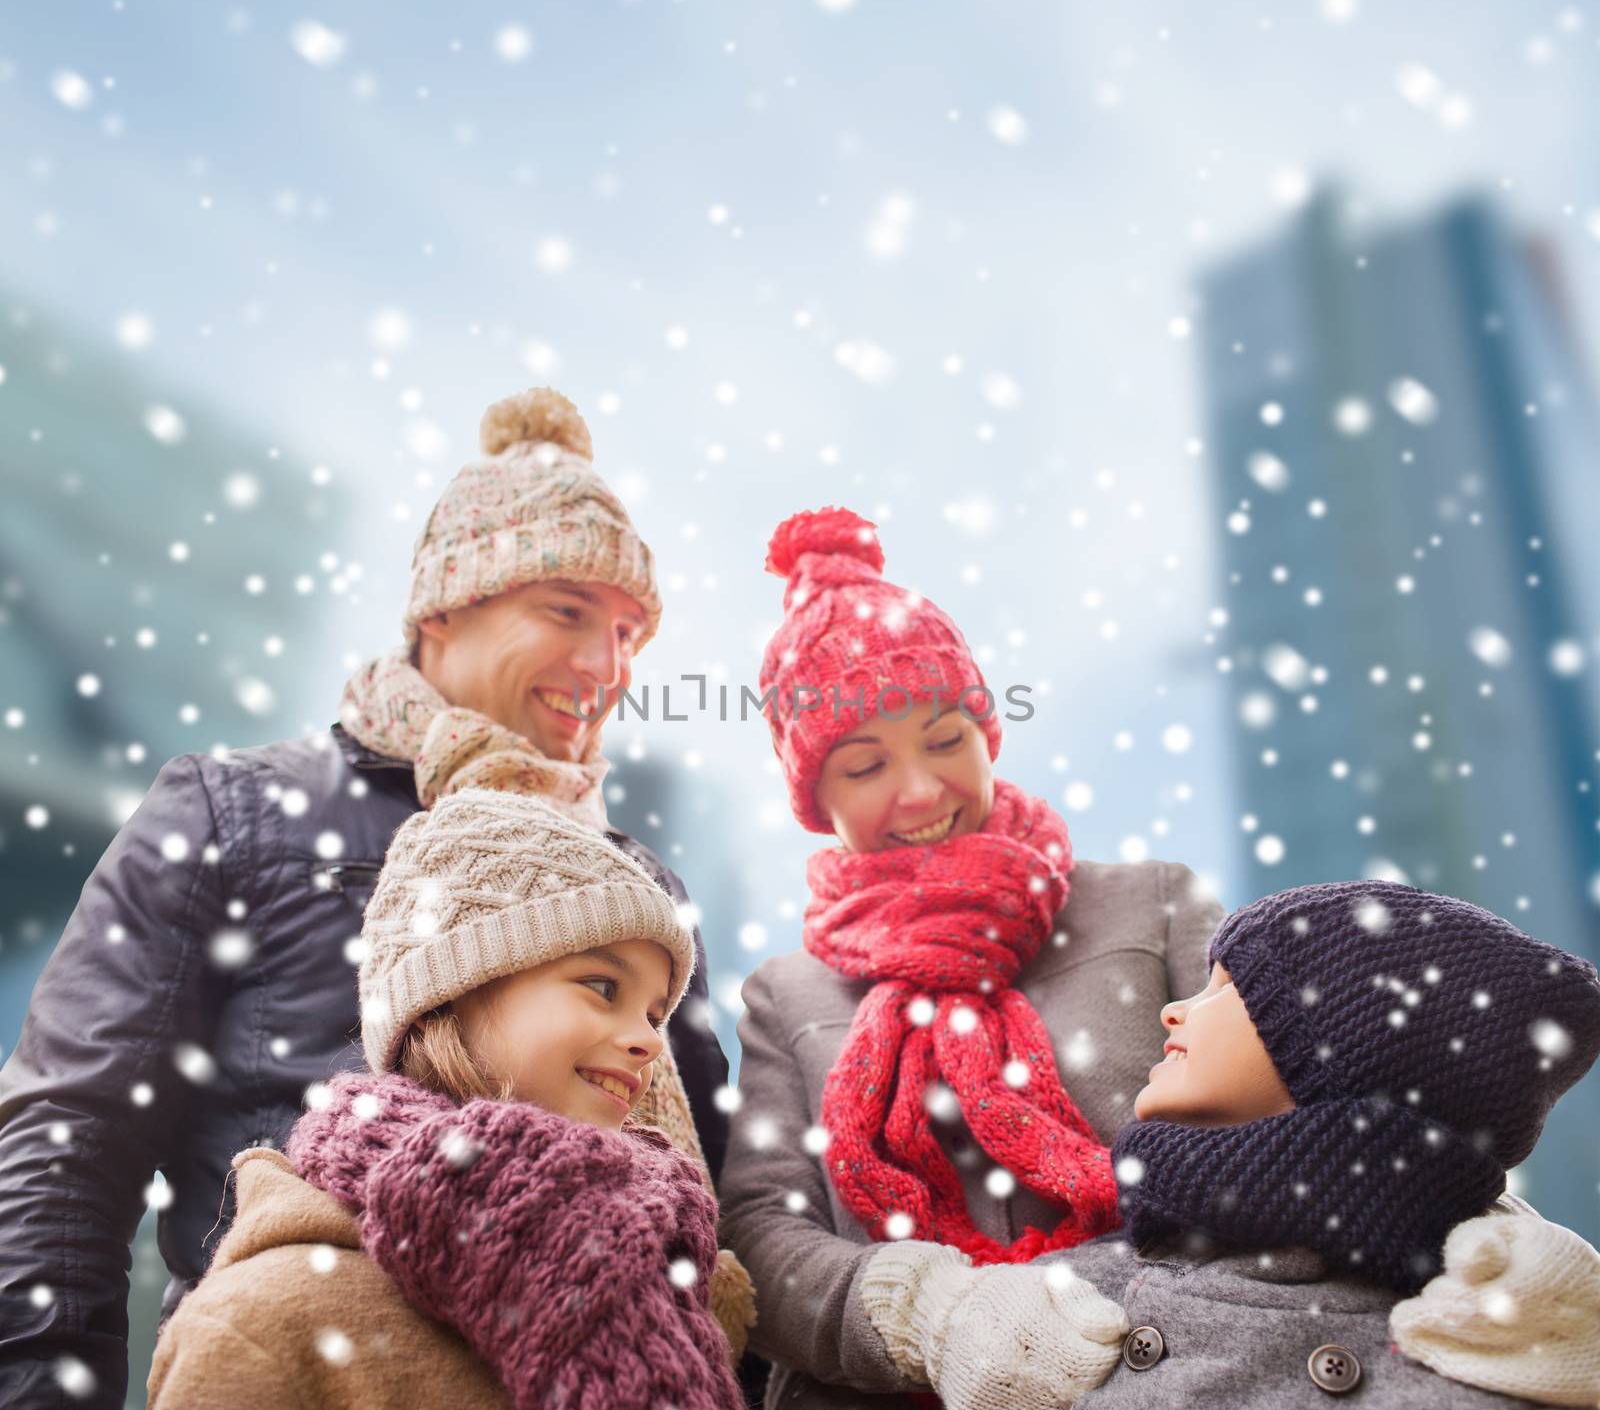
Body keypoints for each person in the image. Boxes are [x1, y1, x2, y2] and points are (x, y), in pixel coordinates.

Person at [717, 507, 1600, 1410]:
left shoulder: (1150, 902)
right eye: (863, 766)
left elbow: (1332, 1097)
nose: (918, 789)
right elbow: (762, 1232)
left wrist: (1495, 1255)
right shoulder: (789, 995)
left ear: (989, 732)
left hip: (1185, 1368)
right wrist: (934, 1317)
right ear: (812, 796)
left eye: (945, 739)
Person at [0, 389, 733, 1408]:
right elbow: (67, 1139)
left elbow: (717, 1196)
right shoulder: (236, 812)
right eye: (566, 612)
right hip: (305, 1367)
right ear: (443, 607)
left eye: (627, 635)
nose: (602, 666)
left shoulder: (640, 885)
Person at [148, 787, 751, 1409]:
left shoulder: (658, 1272)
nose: (650, 1042)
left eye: (655, 1015)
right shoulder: (266, 1321)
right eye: (602, 986)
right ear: (455, 991)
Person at [969, 880, 1600, 1406]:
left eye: (1225, 988)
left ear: (1353, 1051)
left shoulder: (1500, 1321)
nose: (1173, 1011)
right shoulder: (1083, 1290)